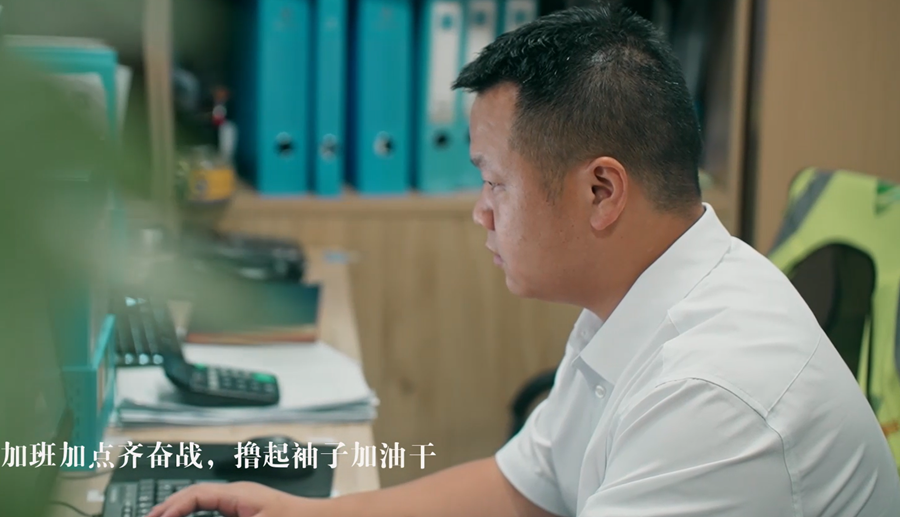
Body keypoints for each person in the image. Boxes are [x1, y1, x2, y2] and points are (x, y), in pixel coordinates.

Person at [148, 3, 900, 516]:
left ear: (601, 191)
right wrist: (309, 512)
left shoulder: (713, 399)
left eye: (494, 182)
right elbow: (525, 486)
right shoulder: (641, 297)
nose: (480, 211)